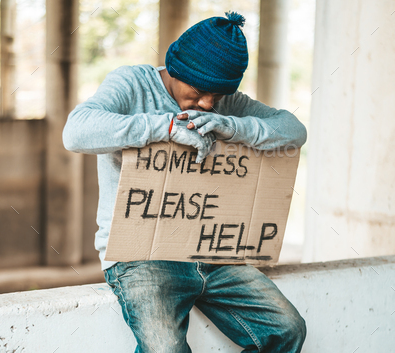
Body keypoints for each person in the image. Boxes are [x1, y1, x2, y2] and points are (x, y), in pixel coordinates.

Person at [63, 11, 307, 353]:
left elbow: (294, 131)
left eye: (217, 95)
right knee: (165, 350)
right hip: (139, 255)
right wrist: (163, 128)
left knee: (288, 329)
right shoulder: (132, 84)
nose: (208, 103)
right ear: (178, 70)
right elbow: (76, 132)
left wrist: (233, 127)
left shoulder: (225, 104)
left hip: (212, 251)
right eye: (199, 91)